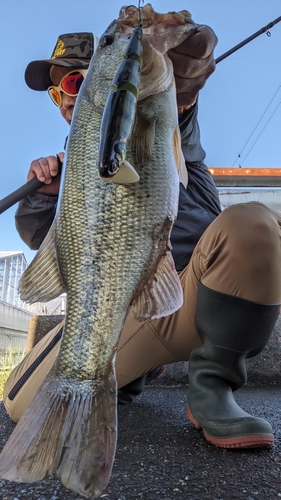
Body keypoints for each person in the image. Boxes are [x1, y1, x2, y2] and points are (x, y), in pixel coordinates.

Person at [4, 27, 281, 450]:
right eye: (60, 88)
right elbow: (46, 248)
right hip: (127, 313)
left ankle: (214, 386)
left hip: (196, 292)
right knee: (19, 404)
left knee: (254, 224)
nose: (69, 93)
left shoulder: (160, 117)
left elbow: (181, 102)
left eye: (79, 78)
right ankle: (134, 371)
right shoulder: (67, 174)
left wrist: (183, 73)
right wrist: (44, 199)